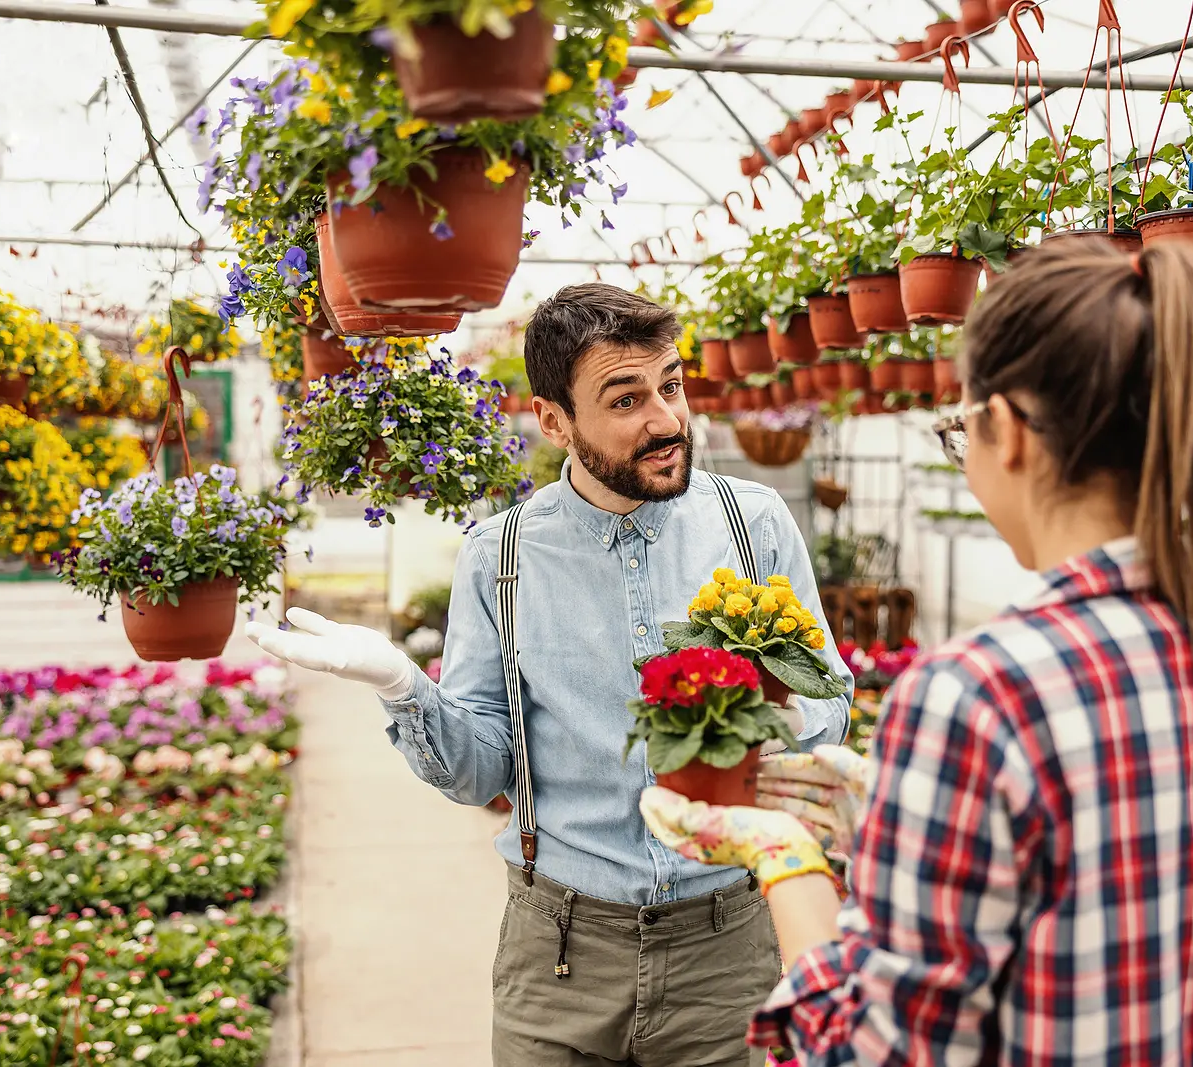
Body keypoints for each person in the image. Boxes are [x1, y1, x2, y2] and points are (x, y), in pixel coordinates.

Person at [640, 243, 1193, 1064]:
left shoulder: (980, 696)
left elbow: (868, 1054)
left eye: (958, 427)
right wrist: (888, 833)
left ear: (1004, 430)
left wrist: (785, 857)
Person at [247, 282, 854, 1066]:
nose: (666, 419)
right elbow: (483, 770)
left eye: (670, 385)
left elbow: (827, 699)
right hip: (560, 953)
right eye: (626, 398)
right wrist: (403, 687)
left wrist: (770, 718)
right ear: (554, 420)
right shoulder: (500, 557)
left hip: (730, 947)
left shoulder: (754, 524)